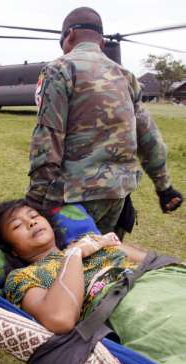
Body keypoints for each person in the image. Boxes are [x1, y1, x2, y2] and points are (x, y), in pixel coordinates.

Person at [0, 199, 186, 364]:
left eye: (33, 216)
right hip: (133, 308)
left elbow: (152, 261)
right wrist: (74, 255)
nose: (31, 223)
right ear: (12, 250)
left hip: (164, 283)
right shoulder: (23, 277)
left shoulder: (89, 240)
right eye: (17, 226)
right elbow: (60, 318)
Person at [26, 7, 183, 238]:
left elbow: (48, 136)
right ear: (101, 42)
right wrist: (164, 187)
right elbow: (150, 138)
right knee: (106, 263)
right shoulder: (127, 76)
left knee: (66, 266)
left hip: (73, 197)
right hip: (117, 196)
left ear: (69, 36)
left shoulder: (59, 69)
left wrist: (36, 199)